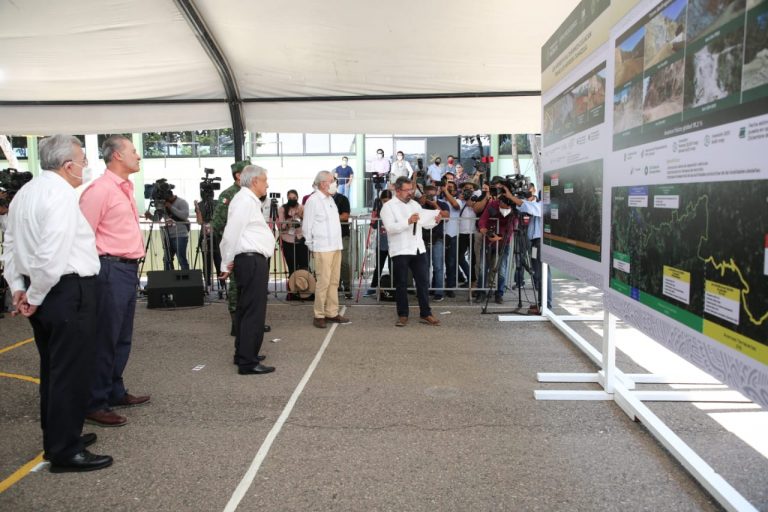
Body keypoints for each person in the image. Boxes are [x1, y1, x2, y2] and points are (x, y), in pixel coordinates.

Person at [2, 135, 112, 471]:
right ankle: (65, 450)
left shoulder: (25, 194)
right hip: (65, 290)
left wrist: (19, 287)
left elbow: (10, 246)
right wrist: (33, 296)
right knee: (70, 372)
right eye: (82, 159)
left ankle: (60, 435)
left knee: (53, 368)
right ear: (67, 165)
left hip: (43, 289)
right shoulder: (61, 194)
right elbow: (52, 253)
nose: (85, 166)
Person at [79, 134, 150, 428]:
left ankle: (114, 390)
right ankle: (94, 402)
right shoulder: (99, 190)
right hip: (107, 268)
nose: (138, 155)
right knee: (105, 338)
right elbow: (82, 234)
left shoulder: (124, 188)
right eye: (133, 151)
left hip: (125, 269)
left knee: (121, 336)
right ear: (117, 156)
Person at [219, 165, 276, 375]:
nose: (267, 184)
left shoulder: (248, 200)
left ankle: (244, 352)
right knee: (253, 311)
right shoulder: (244, 200)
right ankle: (247, 361)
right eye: (264, 180)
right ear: (254, 182)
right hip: (251, 260)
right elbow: (231, 233)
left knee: (246, 309)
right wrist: (226, 262)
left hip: (250, 260)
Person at [211, 159, 270, 335]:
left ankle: (248, 328)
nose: (266, 184)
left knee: (250, 299)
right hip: (239, 251)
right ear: (240, 175)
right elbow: (224, 226)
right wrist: (229, 255)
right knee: (239, 293)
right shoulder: (235, 196)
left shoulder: (250, 196)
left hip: (245, 249)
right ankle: (239, 325)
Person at [380, 177, 442, 327]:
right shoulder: (388, 207)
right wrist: (407, 221)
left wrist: (435, 220)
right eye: (407, 190)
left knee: (423, 281)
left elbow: (425, 224)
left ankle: (426, 313)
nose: (410, 193)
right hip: (400, 248)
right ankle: (402, 314)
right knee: (401, 283)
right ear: (398, 190)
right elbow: (390, 228)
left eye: (411, 190)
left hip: (418, 248)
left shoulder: (415, 204)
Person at [302, 171, 350, 328]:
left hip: (335, 246)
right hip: (322, 247)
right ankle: (319, 314)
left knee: (334, 281)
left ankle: (332, 312)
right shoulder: (313, 201)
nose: (334, 183)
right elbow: (307, 226)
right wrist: (311, 245)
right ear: (323, 183)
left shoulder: (331, 200)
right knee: (323, 281)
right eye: (332, 180)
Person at [509, 182, 552, 314]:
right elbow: (525, 207)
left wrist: (511, 196)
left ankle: (547, 306)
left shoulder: (543, 206)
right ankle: (541, 303)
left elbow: (528, 206)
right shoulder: (537, 205)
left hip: (540, 242)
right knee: (538, 274)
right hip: (535, 242)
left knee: (543, 274)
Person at [477, 178, 517, 304]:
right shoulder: (492, 204)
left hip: (504, 242)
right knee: (483, 267)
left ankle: (499, 293)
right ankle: (481, 292)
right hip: (488, 241)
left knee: (502, 269)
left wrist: (500, 238)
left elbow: (512, 227)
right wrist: (483, 230)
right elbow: (482, 220)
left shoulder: (514, 207)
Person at [419, 184, 449, 301]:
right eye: (428, 194)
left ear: (437, 192)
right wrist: (422, 202)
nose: (431, 196)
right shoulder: (421, 204)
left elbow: (447, 215)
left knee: (438, 267)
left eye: (433, 194)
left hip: (438, 239)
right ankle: (424, 290)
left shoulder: (442, 203)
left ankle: (439, 292)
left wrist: (435, 205)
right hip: (423, 238)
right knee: (424, 267)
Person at [364, 190, 393, 296]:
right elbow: (374, 225)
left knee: (392, 266)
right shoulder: (379, 208)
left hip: (393, 243)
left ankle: (393, 288)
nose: (386, 203)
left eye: (388, 201)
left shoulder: (395, 208)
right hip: (382, 242)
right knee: (379, 266)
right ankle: (373, 286)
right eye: (384, 201)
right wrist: (375, 210)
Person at [278, 189, 308, 279]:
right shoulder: (282, 209)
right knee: (291, 265)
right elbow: (280, 226)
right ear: (287, 198)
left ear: (297, 197)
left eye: (294, 198)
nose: (292, 199)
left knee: (303, 264)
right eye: (290, 198)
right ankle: (292, 290)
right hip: (287, 239)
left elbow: (308, 222)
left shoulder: (302, 207)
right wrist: (288, 223)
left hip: (301, 238)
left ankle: (304, 289)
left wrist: (301, 216)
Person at [161, 190, 190, 270]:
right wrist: (150, 216)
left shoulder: (182, 202)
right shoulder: (164, 204)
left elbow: (184, 216)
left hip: (180, 235)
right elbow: (158, 218)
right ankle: (169, 279)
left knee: (181, 259)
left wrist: (171, 207)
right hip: (168, 235)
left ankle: (186, 280)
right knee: (166, 260)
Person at [333, 186, 353, 299]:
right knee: (332, 262)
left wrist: (330, 217)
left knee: (343, 261)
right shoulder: (322, 200)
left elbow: (345, 216)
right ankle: (336, 285)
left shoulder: (342, 199)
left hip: (342, 234)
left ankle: (347, 286)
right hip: (328, 236)